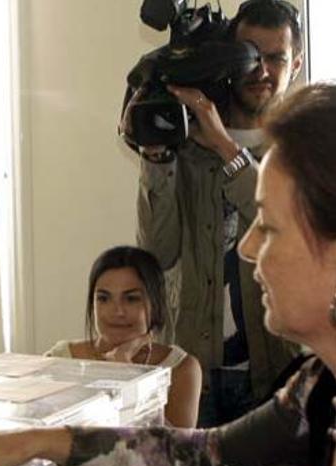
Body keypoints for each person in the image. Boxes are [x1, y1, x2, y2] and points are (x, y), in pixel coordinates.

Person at [0, 82, 336, 466]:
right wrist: (37, 441)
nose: (247, 247)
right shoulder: (315, 390)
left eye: (270, 226)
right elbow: (204, 461)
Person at [130, 0, 304, 426]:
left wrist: (228, 150)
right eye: (249, 54)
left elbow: (292, 235)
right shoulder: (185, 145)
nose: (261, 70)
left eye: (275, 58)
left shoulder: (303, 150)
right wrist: (157, 153)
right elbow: (157, 252)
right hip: (193, 370)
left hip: (275, 372)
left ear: (295, 65)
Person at [44, 246, 201, 427]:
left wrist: (127, 374)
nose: (117, 311)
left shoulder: (181, 368)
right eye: (104, 299)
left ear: (155, 304)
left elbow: (177, 451)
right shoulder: (60, 360)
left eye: (131, 299)